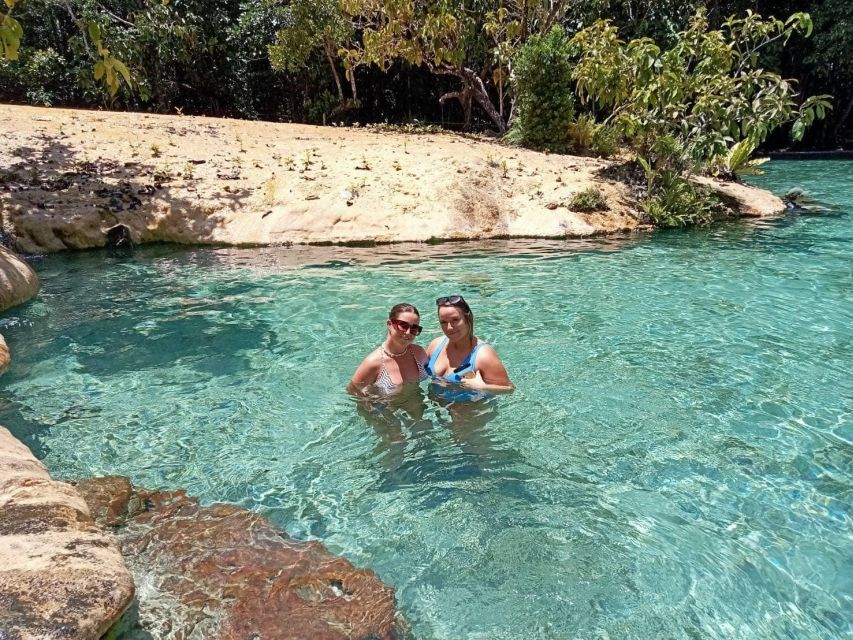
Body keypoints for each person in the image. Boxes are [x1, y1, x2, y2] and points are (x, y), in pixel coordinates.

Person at [426, 295, 513, 393]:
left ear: (468, 318)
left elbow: (509, 389)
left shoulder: (483, 355)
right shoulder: (436, 345)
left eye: (455, 320)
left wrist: (483, 387)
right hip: (435, 407)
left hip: (472, 408)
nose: (449, 327)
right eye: (444, 322)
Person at [348, 303, 429, 396]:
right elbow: (352, 393)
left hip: (417, 407)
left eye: (414, 328)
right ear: (389, 324)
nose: (408, 332)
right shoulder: (373, 362)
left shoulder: (419, 353)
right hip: (387, 409)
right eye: (403, 325)